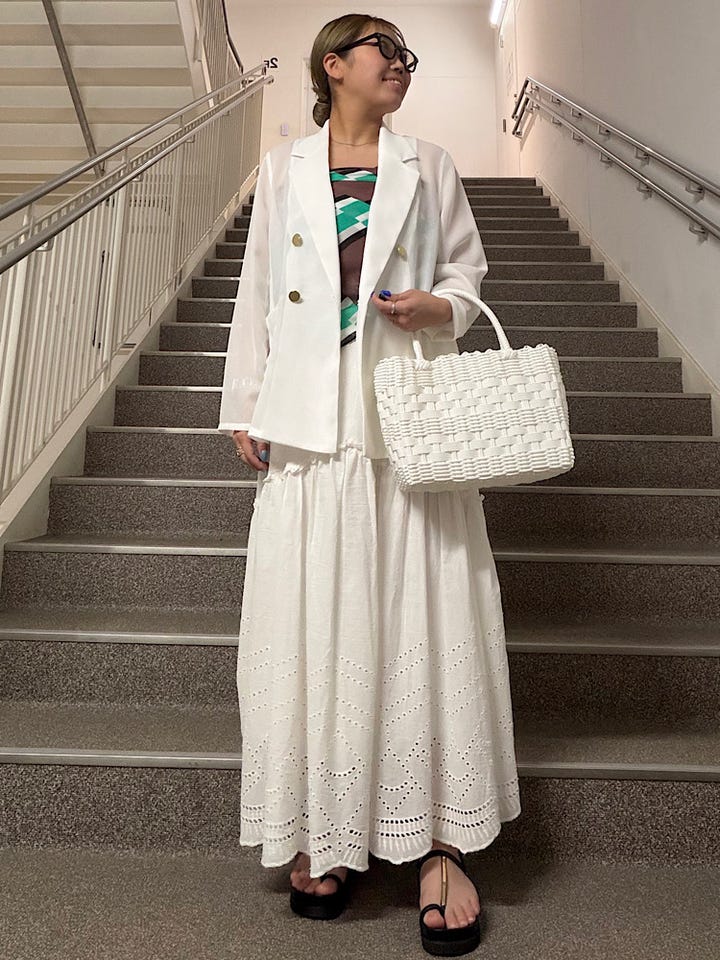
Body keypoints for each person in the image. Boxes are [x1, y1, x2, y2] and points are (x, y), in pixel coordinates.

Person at [217, 12, 521, 955]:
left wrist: (443, 305)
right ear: (333, 65)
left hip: (406, 418)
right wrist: (245, 405)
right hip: (311, 426)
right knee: (316, 622)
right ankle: (331, 827)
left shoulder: (430, 165)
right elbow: (259, 290)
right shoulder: (283, 170)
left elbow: (467, 268)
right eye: (384, 50)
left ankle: (440, 846)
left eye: (406, 56)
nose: (400, 66)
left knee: (424, 617)